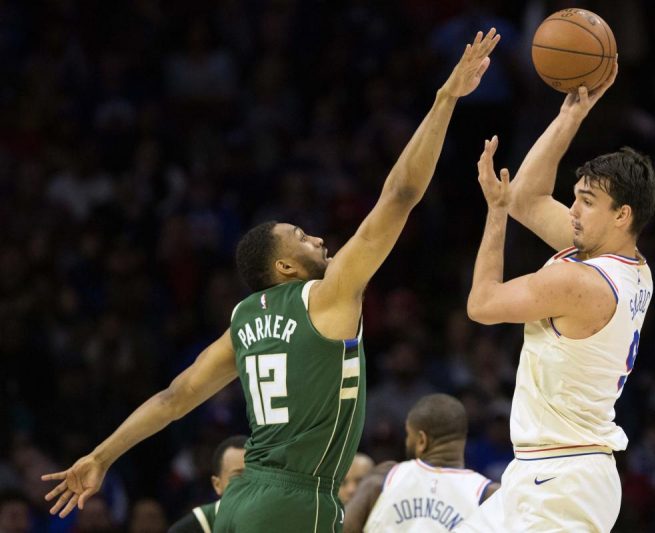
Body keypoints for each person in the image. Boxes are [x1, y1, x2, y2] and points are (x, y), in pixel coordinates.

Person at [41, 28, 501, 533]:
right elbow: (400, 195)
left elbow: (174, 398)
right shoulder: (326, 295)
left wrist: (102, 455)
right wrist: (445, 98)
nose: (318, 239)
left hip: (241, 500)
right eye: (302, 238)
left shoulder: (242, 320)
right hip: (298, 502)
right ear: (284, 267)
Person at [461, 60, 655, 532]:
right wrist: (572, 113)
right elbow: (528, 198)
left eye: (586, 202)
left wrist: (495, 213)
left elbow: (482, 304)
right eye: (575, 197)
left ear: (622, 215)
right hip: (546, 470)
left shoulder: (581, 284)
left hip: (564, 479)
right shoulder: (632, 267)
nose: (572, 211)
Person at [344, 394, 498, 532]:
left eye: (408, 435)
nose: (406, 441)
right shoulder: (489, 495)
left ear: (422, 441)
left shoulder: (383, 479)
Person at [168, 435, 246, 533]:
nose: (251, 482)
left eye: (256, 473)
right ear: (217, 485)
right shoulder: (189, 529)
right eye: (238, 476)